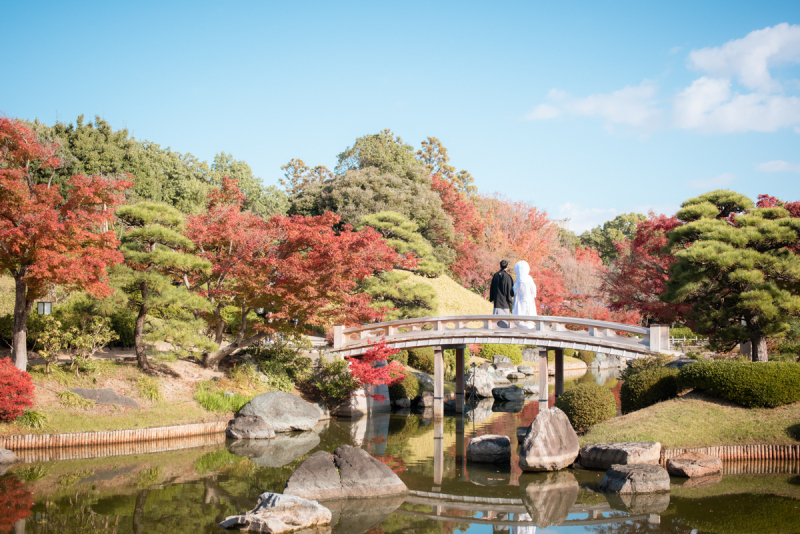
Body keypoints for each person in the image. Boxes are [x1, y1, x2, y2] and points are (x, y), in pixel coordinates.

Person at [489, 260, 514, 328]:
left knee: (496, 323)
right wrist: (510, 298)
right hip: (505, 303)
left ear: (500, 266)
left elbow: (492, 288)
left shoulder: (495, 275)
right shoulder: (508, 277)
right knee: (505, 323)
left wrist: (491, 298)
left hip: (497, 302)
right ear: (507, 266)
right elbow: (511, 291)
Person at [512, 260, 537, 328]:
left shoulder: (518, 279)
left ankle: (521, 324)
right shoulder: (529, 278)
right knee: (528, 311)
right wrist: (533, 294)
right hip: (528, 298)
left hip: (520, 298)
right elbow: (533, 288)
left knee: (520, 311)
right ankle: (528, 325)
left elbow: (514, 290)